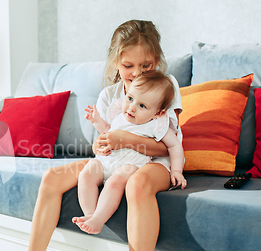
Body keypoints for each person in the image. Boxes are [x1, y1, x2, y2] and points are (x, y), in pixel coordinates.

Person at [0, 19, 183, 251]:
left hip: (154, 161)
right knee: (52, 177)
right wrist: (102, 143)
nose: (136, 74)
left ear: (157, 61)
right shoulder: (109, 95)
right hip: (116, 159)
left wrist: (125, 139)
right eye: (128, 66)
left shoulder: (165, 86)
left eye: (146, 66)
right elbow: (104, 141)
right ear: (116, 62)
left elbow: (166, 144)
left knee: (137, 184)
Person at [73, 70, 187, 235]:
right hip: (106, 161)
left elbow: (175, 147)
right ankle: (90, 214)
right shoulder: (120, 115)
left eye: (142, 106)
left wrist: (177, 171)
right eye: (130, 99)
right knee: (86, 174)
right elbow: (108, 132)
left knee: (115, 181)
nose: (132, 108)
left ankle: (99, 219)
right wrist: (97, 121)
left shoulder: (156, 124)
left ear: (158, 113)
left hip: (131, 165)